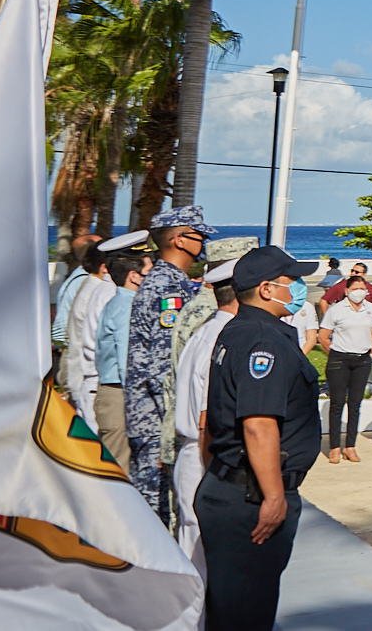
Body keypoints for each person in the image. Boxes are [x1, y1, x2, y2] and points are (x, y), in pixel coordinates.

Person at [197, 246, 323, 631]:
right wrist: (272, 496)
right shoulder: (263, 339)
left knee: (234, 607)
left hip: (234, 487)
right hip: (250, 498)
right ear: (267, 289)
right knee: (245, 611)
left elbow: (213, 418)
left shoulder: (241, 330)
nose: (299, 288)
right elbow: (258, 424)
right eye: (292, 280)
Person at [129, 205, 212, 526]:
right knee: (155, 520)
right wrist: (177, 423)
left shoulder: (171, 281)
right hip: (155, 422)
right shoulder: (167, 287)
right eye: (198, 235)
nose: (202, 242)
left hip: (154, 419)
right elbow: (164, 367)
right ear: (179, 240)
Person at [171, 259, 240, 570]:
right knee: (204, 554)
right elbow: (206, 417)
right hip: (206, 455)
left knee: (193, 542)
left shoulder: (206, 332)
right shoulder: (222, 338)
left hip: (195, 453)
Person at [93, 250, 149, 471]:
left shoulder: (119, 303)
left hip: (117, 393)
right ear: (134, 276)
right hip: (121, 395)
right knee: (119, 470)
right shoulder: (127, 308)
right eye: (148, 273)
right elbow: (129, 361)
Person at [318, 275, 372, 463]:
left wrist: (371, 344)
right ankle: (334, 447)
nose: (359, 292)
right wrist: (334, 352)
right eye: (355, 288)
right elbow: (323, 336)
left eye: (362, 288)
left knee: (355, 404)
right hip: (339, 359)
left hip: (362, 360)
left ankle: (350, 446)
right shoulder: (336, 310)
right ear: (347, 291)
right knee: (337, 403)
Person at [60, 238, 122, 430]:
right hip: (94, 381)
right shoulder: (104, 293)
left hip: (84, 380)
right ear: (105, 267)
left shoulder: (91, 287)